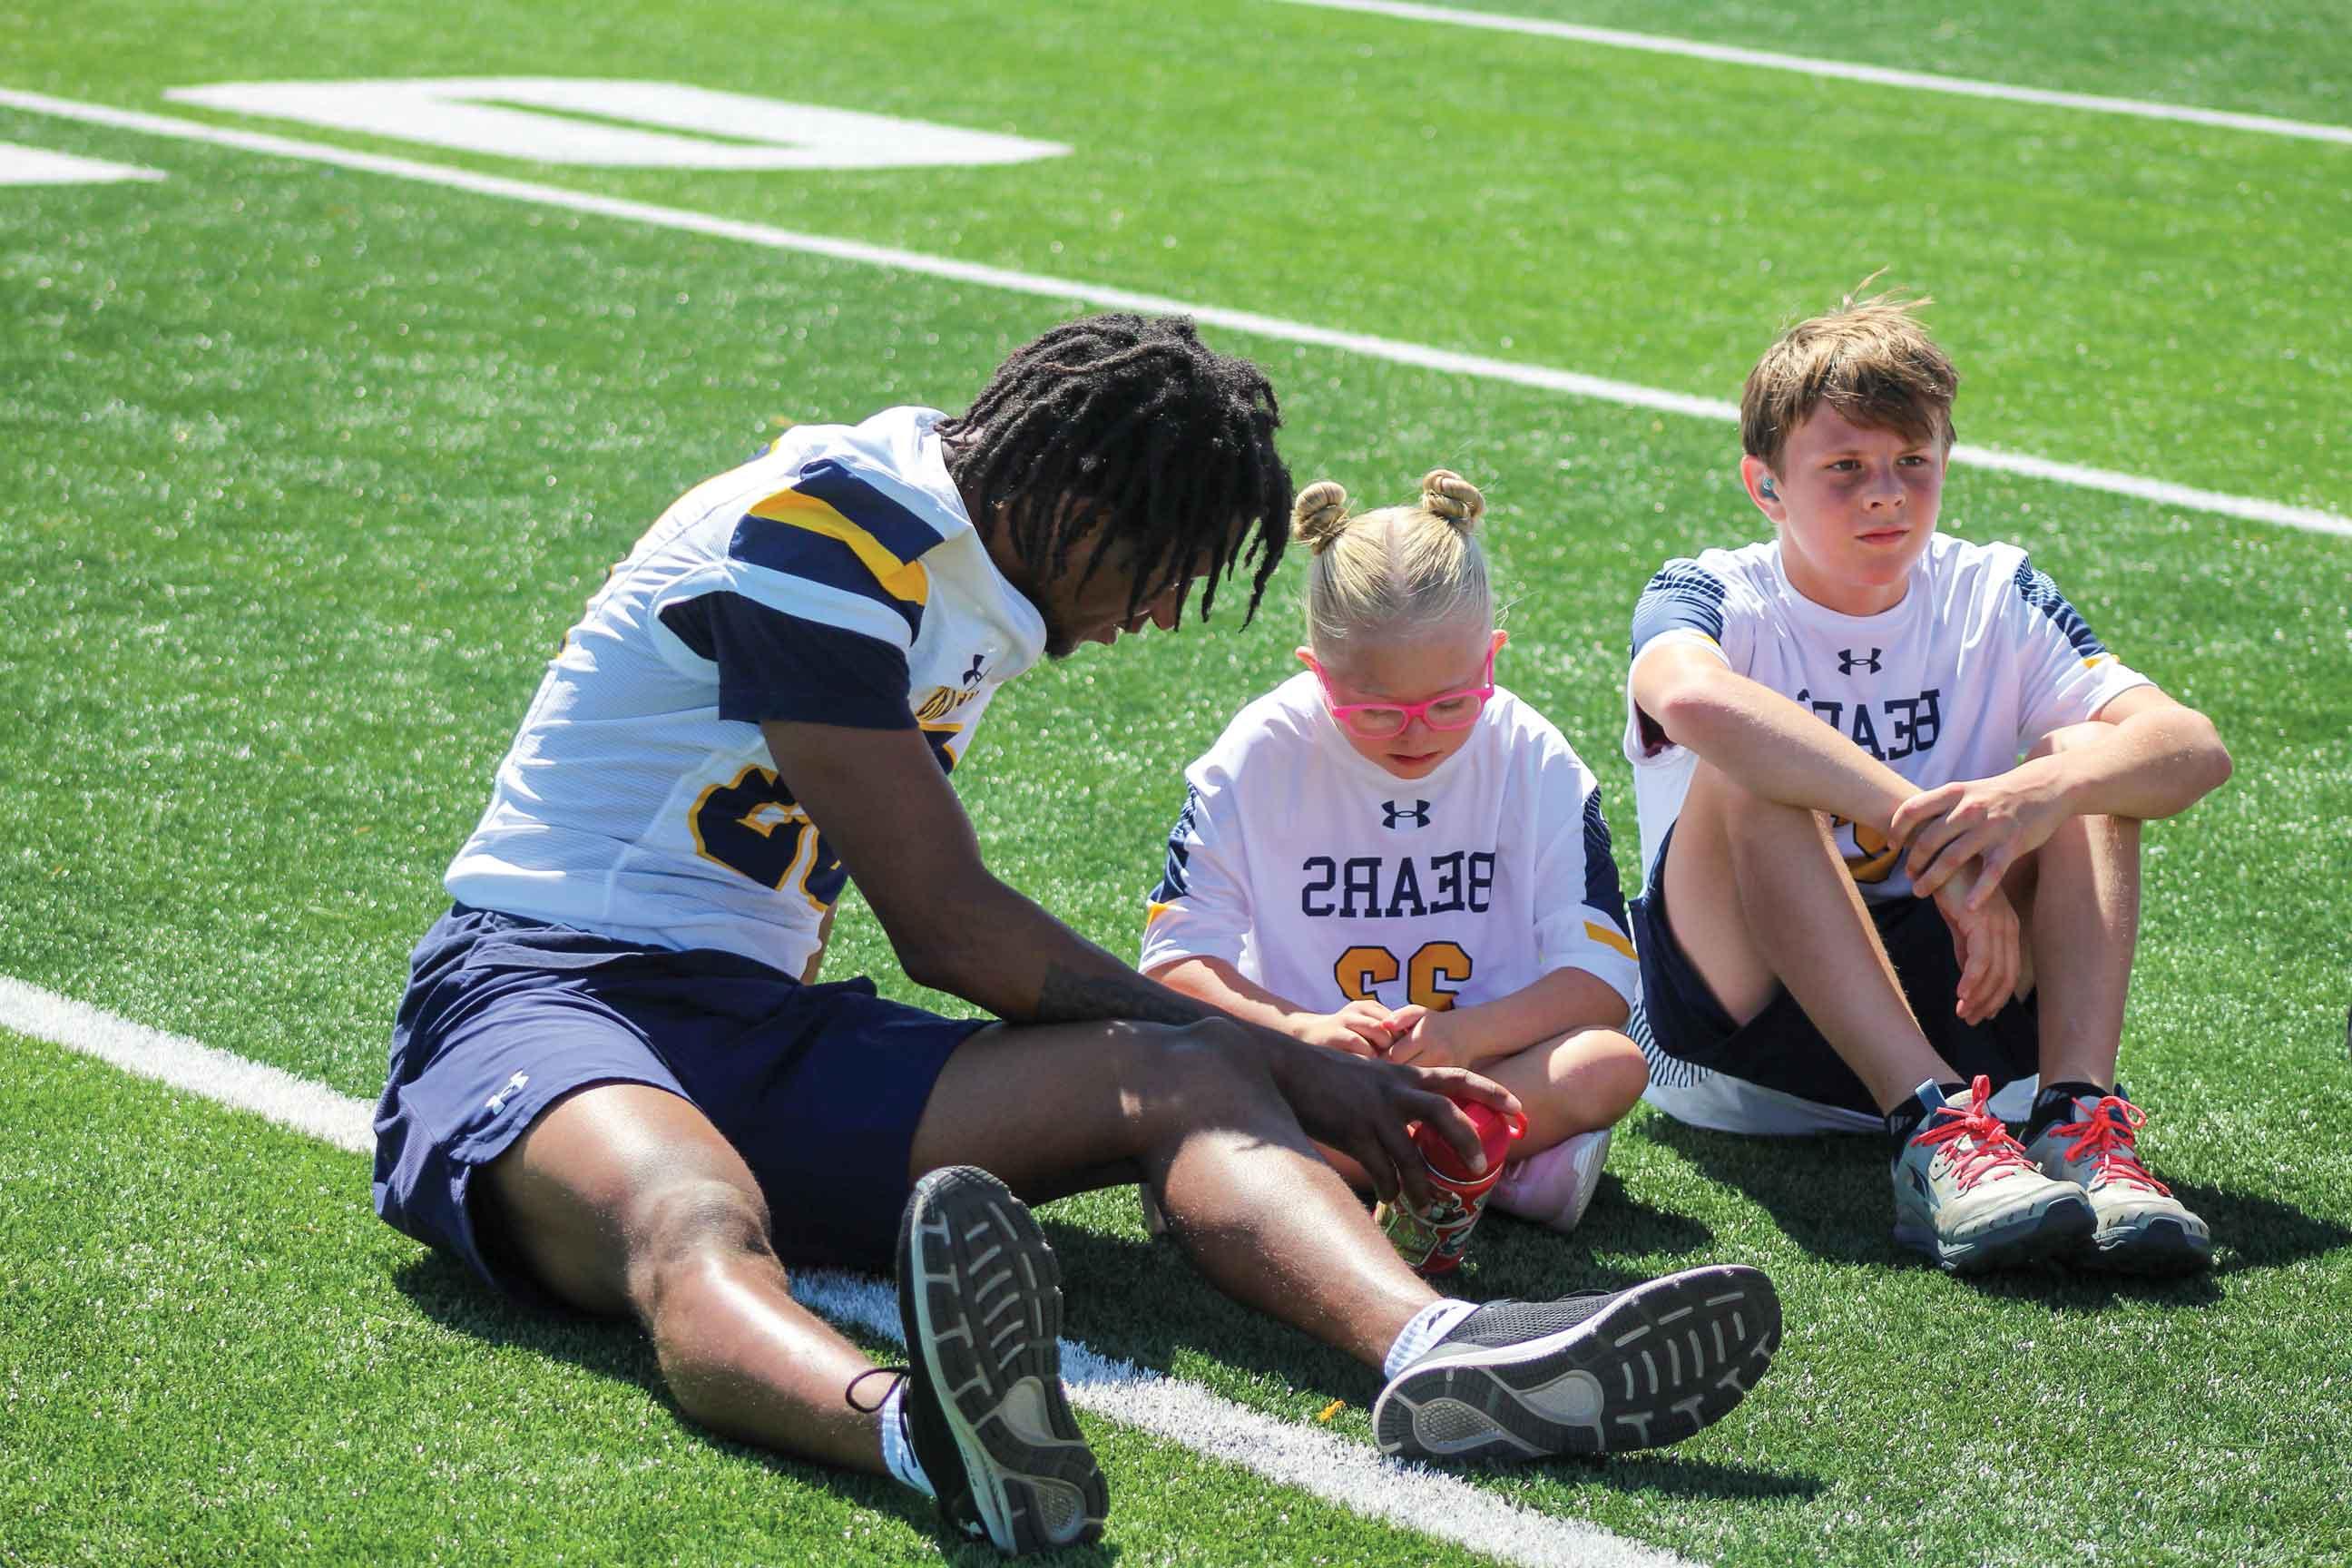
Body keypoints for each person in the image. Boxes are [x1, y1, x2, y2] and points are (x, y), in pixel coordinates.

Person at [371, 314, 1781, 1557]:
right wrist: (1293, 1050)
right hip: (545, 994)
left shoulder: (955, 532)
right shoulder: (828, 529)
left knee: (1182, 1074)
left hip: (760, 1028)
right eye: (1165, 561)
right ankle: (929, 1438)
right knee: (690, 1215)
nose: (1162, 609)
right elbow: (948, 926)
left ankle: (1437, 1351)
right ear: (1080, 497)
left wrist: (1258, 1057)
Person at [1622, 286, 2233, 1275]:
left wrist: (2035, 798)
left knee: (2088, 762)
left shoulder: (1992, 587)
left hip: (1978, 1008)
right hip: (1746, 1051)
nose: (1887, 494)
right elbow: (1690, 702)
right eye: (1846, 468)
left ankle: (2080, 1124)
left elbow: (2192, 748)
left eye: (1914, 462)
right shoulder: (1712, 590)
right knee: (1744, 775)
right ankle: (1927, 1123)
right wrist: (1926, 835)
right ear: (1764, 485)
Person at [1143, 469, 1648, 1236]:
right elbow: (1175, 965)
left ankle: (1345, 1175)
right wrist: (1305, 1031)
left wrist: (1466, 1034)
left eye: (1451, 703)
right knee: (1181, 1082)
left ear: (1493, 657)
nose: (1417, 733)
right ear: (1316, 671)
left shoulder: (1531, 755)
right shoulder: (1258, 753)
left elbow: (1603, 980)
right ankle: (1485, 1166)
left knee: (1608, 1062)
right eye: (1375, 713)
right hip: (1308, 1076)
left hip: (1481, 1067)